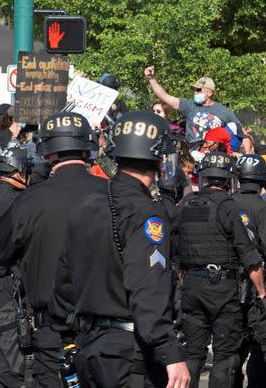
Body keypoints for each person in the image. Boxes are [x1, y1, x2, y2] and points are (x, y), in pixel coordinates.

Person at [59, 111, 189, 387]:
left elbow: (63, 281)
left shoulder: (86, 205)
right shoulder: (147, 214)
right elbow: (148, 287)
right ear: (159, 157)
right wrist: (170, 352)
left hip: (89, 346)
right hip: (129, 354)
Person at [0, 112, 105, 387]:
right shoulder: (112, 194)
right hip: (104, 331)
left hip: (52, 330)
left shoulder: (30, 198)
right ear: (87, 148)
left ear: (47, 153)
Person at [176, 151, 266, 386]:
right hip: (223, 289)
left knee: (193, 352)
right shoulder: (229, 207)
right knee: (225, 356)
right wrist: (262, 293)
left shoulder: (185, 204)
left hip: (192, 286)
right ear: (228, 179)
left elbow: (174, 252)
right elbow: (250, 256)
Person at [232, 153, 266, 388]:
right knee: (260, 348)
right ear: (263, 180)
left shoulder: (227, 203)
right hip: (256, 288)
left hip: (226, 286)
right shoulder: (264, 210)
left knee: (232, 347)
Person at [144, 65, 252, 152]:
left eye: (199, 90)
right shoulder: (189, 105)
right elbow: (164, 96)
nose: (195, 92)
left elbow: (243, 135)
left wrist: (247, 155)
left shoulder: (224, 111)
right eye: (195, 89)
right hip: (191, 155)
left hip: (213, 157)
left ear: (209, 93)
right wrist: (151, 78)